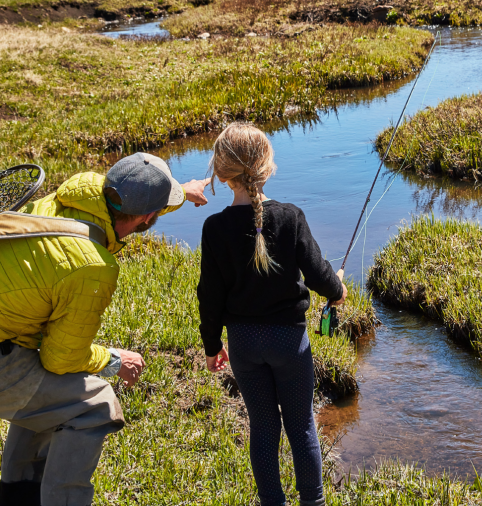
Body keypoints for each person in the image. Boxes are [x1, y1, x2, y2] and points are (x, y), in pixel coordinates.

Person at [0, 152, 209, 506]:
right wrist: (114, 360)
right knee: (94, 403)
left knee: (54, 397)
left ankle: (17, 491)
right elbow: (61, 359)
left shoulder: (74, 196)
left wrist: (182, 192)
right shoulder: (92, 267)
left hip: (8, 335)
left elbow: (133, 206)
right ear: (148, 217)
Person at [198, 123, 346, 506]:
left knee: (263, 428)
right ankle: (313, 502)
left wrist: (212, 345)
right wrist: (339, 290)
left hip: (244, 344)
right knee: (301, 427)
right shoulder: (290, 217)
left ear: (222, 174)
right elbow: (317, 273)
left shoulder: (213, 228)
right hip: (289, 342)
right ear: (267, 167)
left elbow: (209, 296)